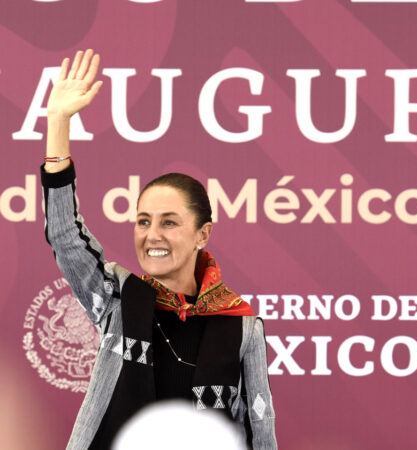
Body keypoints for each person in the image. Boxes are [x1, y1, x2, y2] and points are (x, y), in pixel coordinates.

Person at [42, 50, 277, 449]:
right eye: (144, 220)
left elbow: (259, 432)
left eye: (169, 222)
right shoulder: (120, 297)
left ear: (203, 234)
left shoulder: (241, 328)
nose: (152, 235)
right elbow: (66, 236)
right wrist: (58, 122)